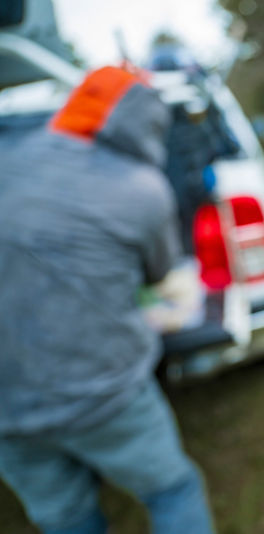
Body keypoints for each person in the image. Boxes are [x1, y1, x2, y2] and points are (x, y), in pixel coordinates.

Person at [0, 67, 215, 534]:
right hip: (105, 396)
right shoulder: (142, 188)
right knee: (173, 490)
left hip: (7, 409)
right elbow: (160, 276)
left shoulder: (9, 156)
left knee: (66, 518)